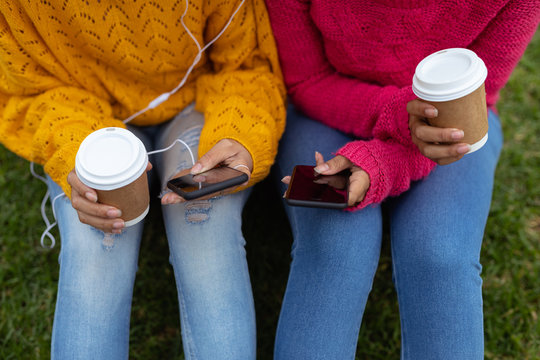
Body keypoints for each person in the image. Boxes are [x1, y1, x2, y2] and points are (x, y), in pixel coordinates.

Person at [0, 0, 286, 359]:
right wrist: (80, 155)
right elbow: (32, 85)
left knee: (204, 220)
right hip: (79, 113)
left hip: (197, 102)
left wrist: (239, 134)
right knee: (96, 245)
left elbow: (246, 64)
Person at [264, 0, 539, 359]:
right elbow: (308, 78)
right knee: (338, 245)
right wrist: (399, 117)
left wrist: (381, 164)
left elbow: (471, 103)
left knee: (440, 257)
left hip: (453, 125)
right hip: (326, 104)